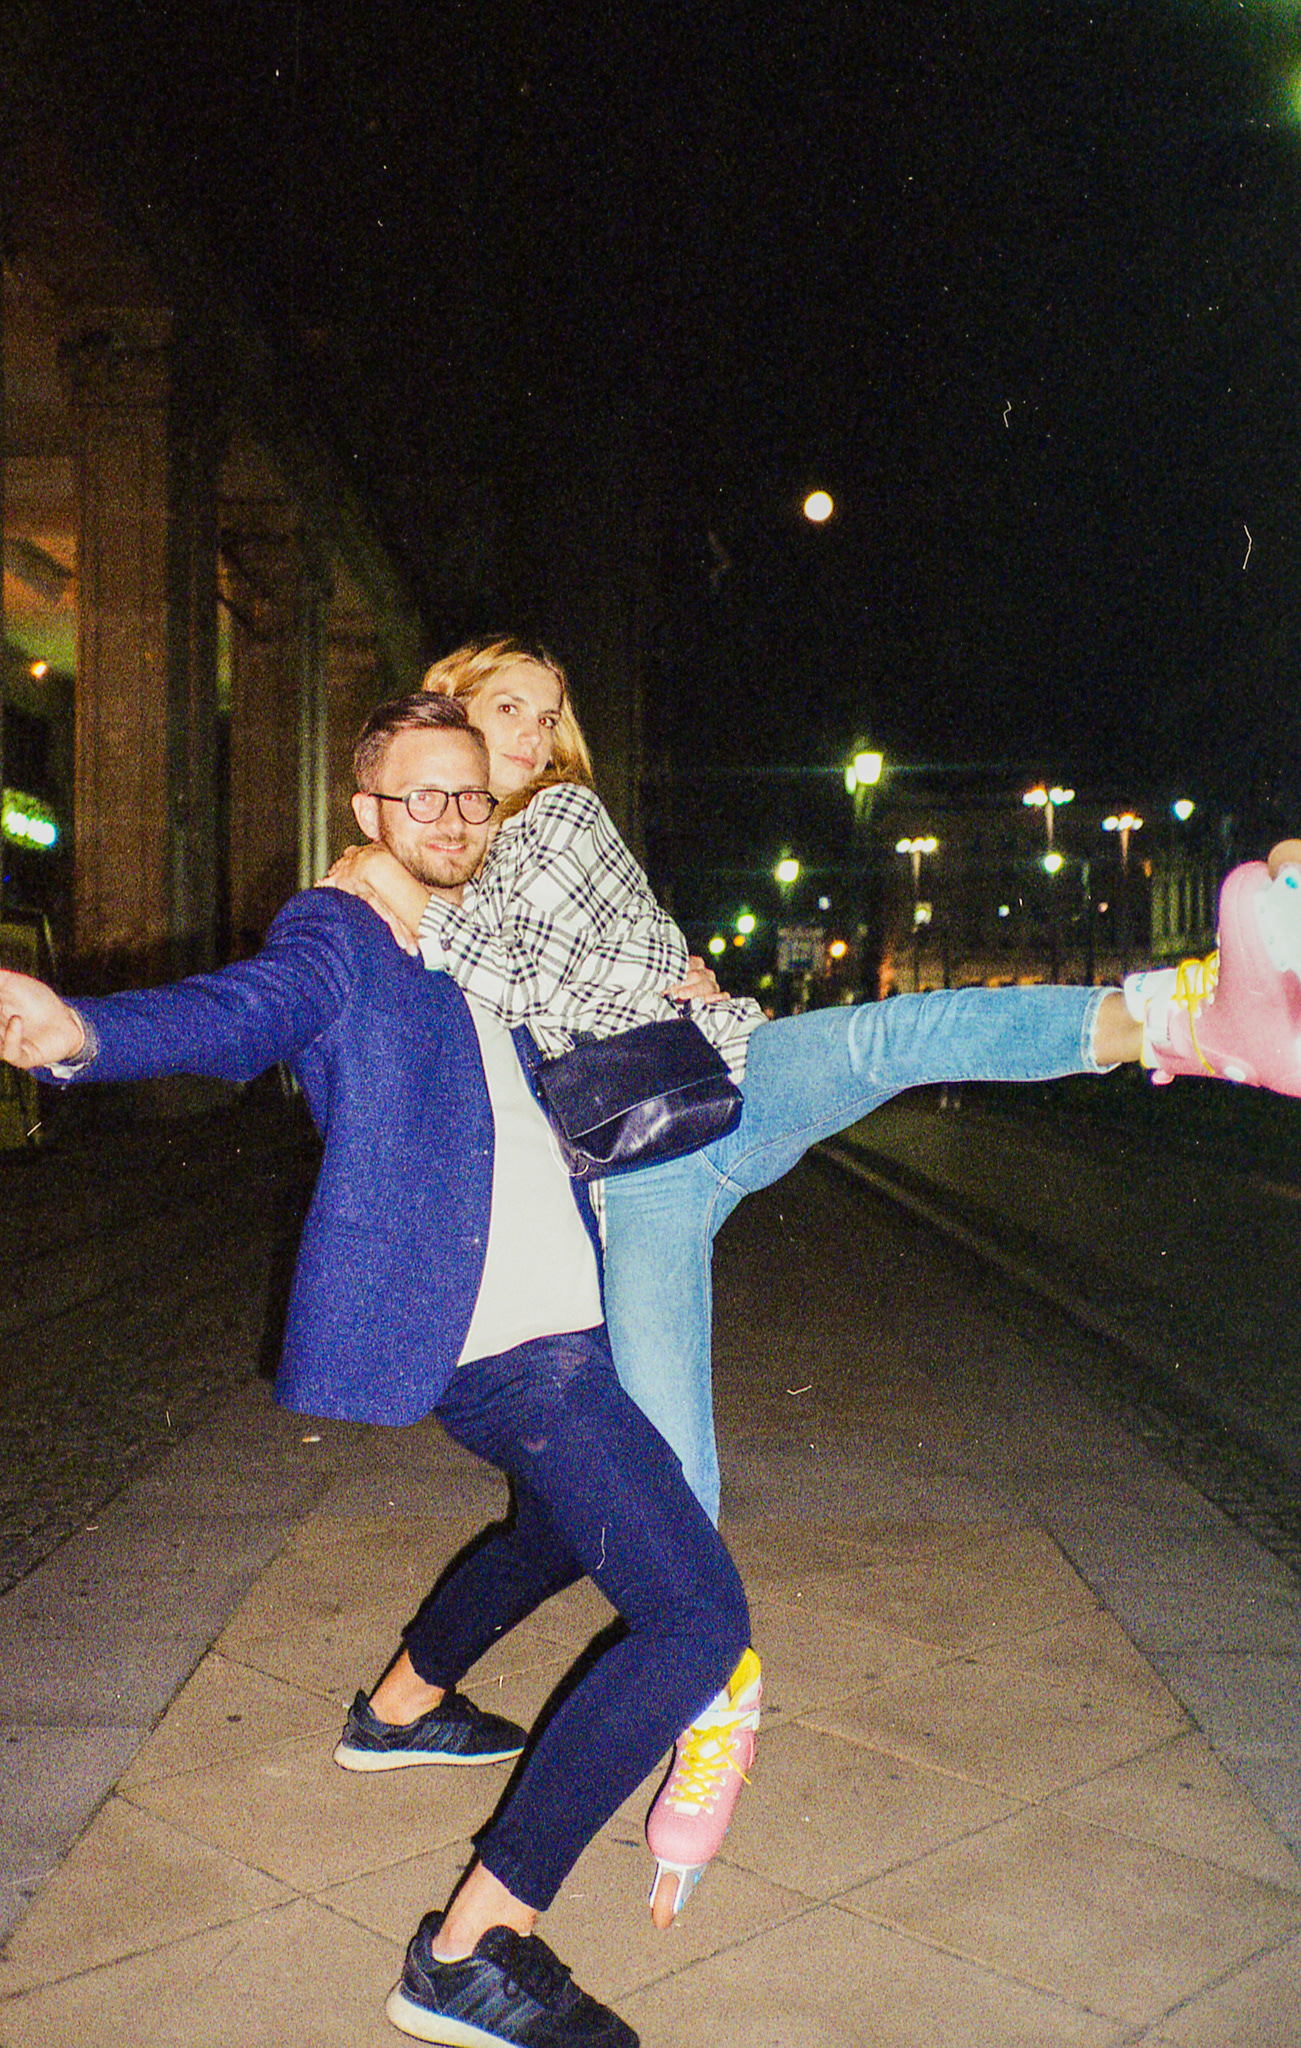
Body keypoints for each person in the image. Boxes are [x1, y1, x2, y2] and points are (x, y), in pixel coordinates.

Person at [324, 639, 1301, 1920]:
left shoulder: (554, 819)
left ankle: (1182, 1017)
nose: (533, 732)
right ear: (445, 715)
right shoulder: (439, 864)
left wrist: (414, 911)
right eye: (508, 706)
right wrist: (409, 906)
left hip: (723, 1082)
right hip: (634, 1185)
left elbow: (565, 978)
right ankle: (715, 1715)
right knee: (673, 1498)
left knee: (897, 1033)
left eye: (548, 714)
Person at [0, 693, 751, 2048]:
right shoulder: (341, 930)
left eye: (471, 796)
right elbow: (244, 1011)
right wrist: (81, 1034)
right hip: (507, 1346)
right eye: (422, 796)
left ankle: (402, 1706)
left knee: (556, 1534)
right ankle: (470, 1949)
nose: (454, 819)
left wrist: (678, 994)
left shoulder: (475, 934)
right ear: (366, 811)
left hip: (559, 1325)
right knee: (695, 1621)